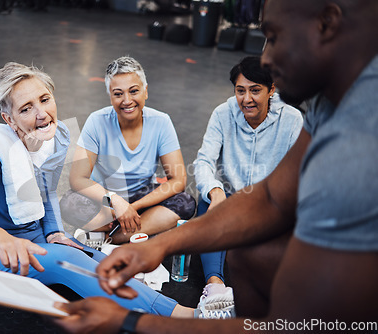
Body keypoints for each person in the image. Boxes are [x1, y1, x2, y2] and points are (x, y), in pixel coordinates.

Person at [53, 0, 378, 332]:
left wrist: (131, 321)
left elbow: (293, 326)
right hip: (120, 204)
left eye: (274, 36)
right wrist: (157, 245)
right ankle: (206, 277)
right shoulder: (328, 98)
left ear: (327, 23)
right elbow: (270, 198)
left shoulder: (360, 135)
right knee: (244, 256)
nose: (265, 57)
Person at [0, 62, 194, 317]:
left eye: (45, 100)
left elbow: (46, 191)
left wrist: (54, 232)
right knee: (68, 261)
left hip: (35, 235)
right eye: (26, 109)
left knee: (103, 261)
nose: (42, 114)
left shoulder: (55, 138)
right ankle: (184, 317)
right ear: (9, 119)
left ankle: (154, 305)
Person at [192, 56, 303, 318]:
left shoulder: (292, 120)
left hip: (271, 204)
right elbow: (204, 160)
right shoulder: (223, 113)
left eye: (255, 90)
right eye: (240, 90)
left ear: (271, 90)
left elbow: (298, 175)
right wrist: (216, 191)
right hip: (230, 200)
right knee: (206, 202)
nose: (247, 99)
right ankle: (215, 288)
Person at [60, 56, 196, 245]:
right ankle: (133, 231)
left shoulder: (161, 122)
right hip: (105, 202)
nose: (127, 100)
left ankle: (113, 237)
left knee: (186, 203)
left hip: (142, 199)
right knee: (69, 204)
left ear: (145, 92)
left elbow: (178, 180)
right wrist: (115, 202)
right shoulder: (96, 121)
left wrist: (132, 207)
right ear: (110, 95)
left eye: (134, 91)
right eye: (118, 94)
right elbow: (77, 178)